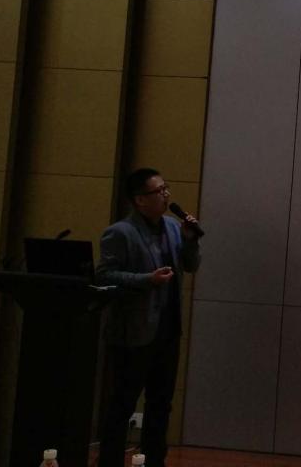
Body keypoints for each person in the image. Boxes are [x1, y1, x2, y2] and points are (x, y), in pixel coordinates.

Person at [96, 168, 202, 467]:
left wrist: (191, 240)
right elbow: (104, 275)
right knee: (122, 404)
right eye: (159, 191)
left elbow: (191, 265)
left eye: (166, 188)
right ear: (140, 200)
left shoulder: (173, 227)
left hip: (168, 331)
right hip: (133, 333)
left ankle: (154, 461)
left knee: (161, 404)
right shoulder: (121, 232)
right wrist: (147, 280)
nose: (166, 194)